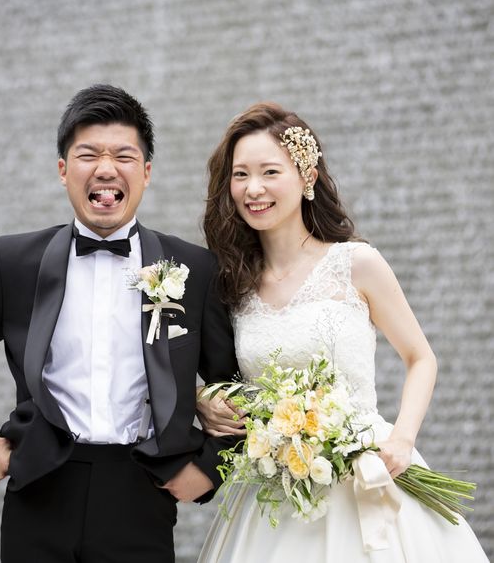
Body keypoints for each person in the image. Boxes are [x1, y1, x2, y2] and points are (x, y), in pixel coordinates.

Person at [0, 84, 240, 563]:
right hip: (40, 484)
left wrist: (211, 468)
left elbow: (235, 384)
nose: (106, 169)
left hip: (140, 492)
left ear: (146, 172)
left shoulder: (193, 268)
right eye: (88, 154)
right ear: (63, 170)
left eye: (124, 156)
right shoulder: (14, 261)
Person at [195, 102, 488, 562]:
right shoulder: (232, 283)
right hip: (274, 487)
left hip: (366, 473)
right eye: (240, 175)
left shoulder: (356, 263)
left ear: (307, 177)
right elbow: (223, 377)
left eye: (270, 172)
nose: (253, 189)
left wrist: (402, 440)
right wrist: (204, 398)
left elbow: (421, 358)